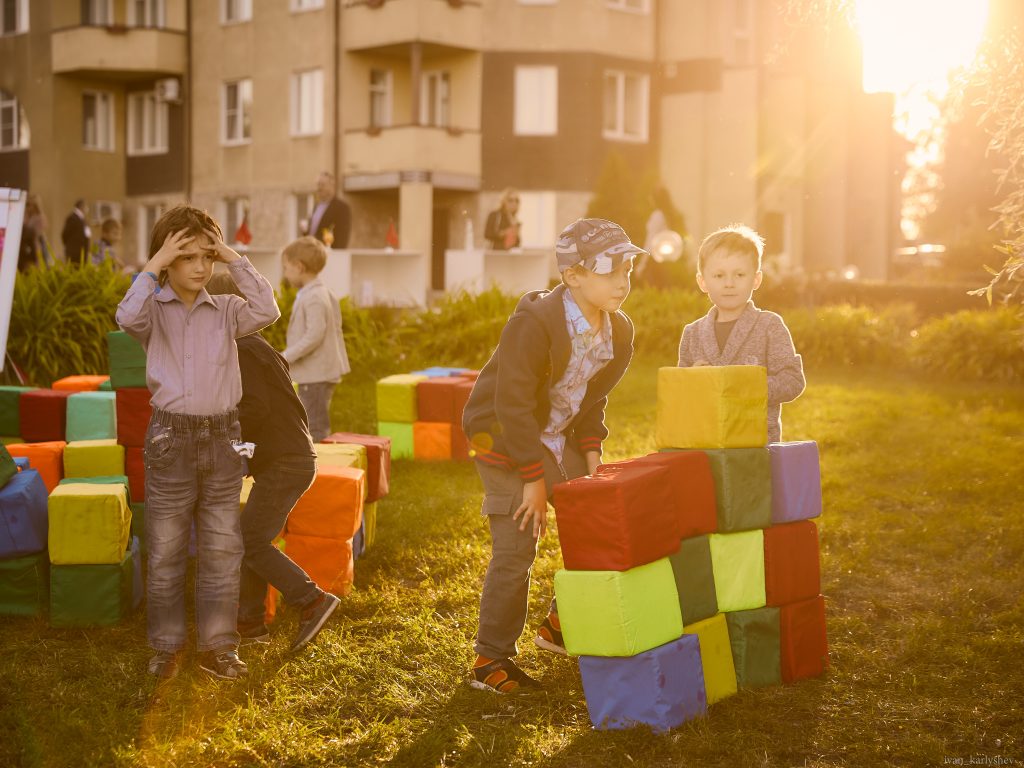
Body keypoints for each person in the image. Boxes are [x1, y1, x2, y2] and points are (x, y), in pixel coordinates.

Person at [461, 217, 643, 693]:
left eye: (627, 270)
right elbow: (512, 405)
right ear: (574, 275)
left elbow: (591, 398)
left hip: (554, 438)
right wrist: (532, 478)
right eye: (610, 271)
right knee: (519, 543)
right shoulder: (534, 324)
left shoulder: (617, 333)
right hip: (504, 438)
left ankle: (559, 624)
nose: (622, 282)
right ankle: (489, 659)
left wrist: (590, 452)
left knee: (595, 521)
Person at [115, 204, 281, 681]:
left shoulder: (228, 310)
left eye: (207, 257)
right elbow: (126, 315)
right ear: (168, 260)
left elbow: (268, 309)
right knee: (166, 551)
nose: (201, 267)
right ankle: (166, 649)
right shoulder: (151, 313)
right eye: (188, 256)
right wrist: (153, 264)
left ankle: (218, 648)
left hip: (223, 440)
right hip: (170, 439)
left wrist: (232, 256)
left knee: (221, 550)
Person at [206, 272, 341, 654]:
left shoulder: (242, 349)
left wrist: (229, 442)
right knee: (249, 534)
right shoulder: (256, 346)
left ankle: (312, 600)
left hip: (286, 460)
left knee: (249, 539)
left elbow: (254, 409)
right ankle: (249, 625)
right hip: (288, 458)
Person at [677, 224, 805, 442]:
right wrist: (692, 380)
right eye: (718, 275)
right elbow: (681, 391)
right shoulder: (693, 333)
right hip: (704, 442)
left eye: (739, 274)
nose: (729, 283)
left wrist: (748, 387)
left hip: (756, 446)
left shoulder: (769, 326)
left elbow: (792, 380)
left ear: (756, 280)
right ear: (703, 281)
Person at [281, 236, 350, 442]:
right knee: (312, 421)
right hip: (316, 374)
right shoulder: (318, 293)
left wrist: (285, 356)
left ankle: (321, 469)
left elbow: (314, 335)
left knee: (315, 426)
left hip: (316, 375)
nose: (285, 273)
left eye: (286, 268)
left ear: (299, 267)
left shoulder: (314, 297)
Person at [304, 172, 351, 248]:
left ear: (332, 186)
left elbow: (343, 236)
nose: (319, 188)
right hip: (313, 252)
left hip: (330, 253)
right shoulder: (316, 206)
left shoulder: (341, 208)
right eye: (318, 184)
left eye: (322, 185)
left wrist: (338, 255)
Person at [17, 194, 52, 272]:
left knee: (41, 263)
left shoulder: (38, 218)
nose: (28, 207)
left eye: (30, 205)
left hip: (37, 242)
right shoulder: (27, 216)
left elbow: (37, 233)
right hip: (28, 244)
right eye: (27, 205)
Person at [61, 199, 91, 266]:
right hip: (74, 253)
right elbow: (65, 234)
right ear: (82, 206)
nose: (87, 209)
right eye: (86, 207)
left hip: (82, 252)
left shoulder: (83, 220)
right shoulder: (72, 218)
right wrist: (70, 246)